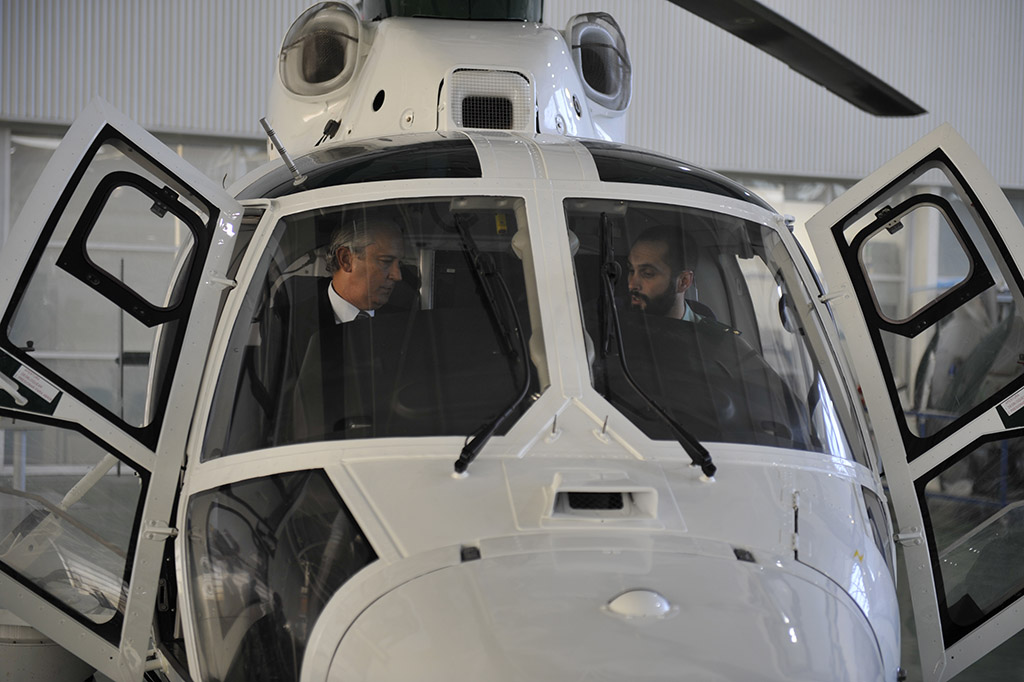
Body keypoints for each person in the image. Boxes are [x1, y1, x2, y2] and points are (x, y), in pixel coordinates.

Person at [324, 219, 405, 323]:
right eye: (386, 261)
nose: (398, 276)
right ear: (346, 259)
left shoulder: (405, 323)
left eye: (399, 264)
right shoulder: (297, 321)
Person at [626, 225, 703, 322]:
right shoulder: (611, 327)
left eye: (647, 273)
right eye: (631, 270)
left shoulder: (705, 336)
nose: (631, 284)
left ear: (684, 281)